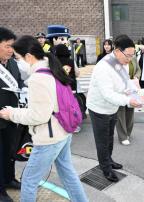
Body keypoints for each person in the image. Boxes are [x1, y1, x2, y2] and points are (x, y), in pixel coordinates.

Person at [0, 35, 88, 202]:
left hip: (48, 138)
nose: (17, 62)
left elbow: (38, 115)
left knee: (28, 180)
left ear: (28, 57)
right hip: (63, 132)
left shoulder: (37, 79)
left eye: (17, 58)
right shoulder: (52, 69)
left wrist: (11, 113)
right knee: (68, 173)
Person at [86, 34, 142, 182]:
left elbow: (123, 82)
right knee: (102, 141)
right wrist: (129, 101)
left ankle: (108, 161)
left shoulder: (118, 62)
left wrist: (134, 90)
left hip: (112, 108)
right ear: (117, 51)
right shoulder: (103, 67)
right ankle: (105, 169)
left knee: (110, 137)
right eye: (128, 55)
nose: (130, 59)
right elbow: (108, 94)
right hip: (99, 109)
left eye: (132, 55)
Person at [0, 27, 23, 202]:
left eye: (12, 46)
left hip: (12, 116)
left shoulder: (13, 63)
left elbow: (19, 83)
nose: (11, 50)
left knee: (10, 152)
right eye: (7, 46)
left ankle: (9, 179)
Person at [55, 44, 86, 129]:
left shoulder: (54, 61)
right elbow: (77, 73)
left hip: (59, 87)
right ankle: (74, 124)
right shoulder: (71, 61)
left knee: (61, 106)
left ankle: (62, 123)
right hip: (71, 86)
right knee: (72, 106)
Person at [116, 57, 141, 145]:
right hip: (120, 88)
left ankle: (128, 132)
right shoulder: (116, 59)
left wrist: (136, 77)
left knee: (130, 111)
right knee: (121, 112)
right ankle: (122, 136)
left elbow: (138, 69)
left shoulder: (133, 58)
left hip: (131, 87)